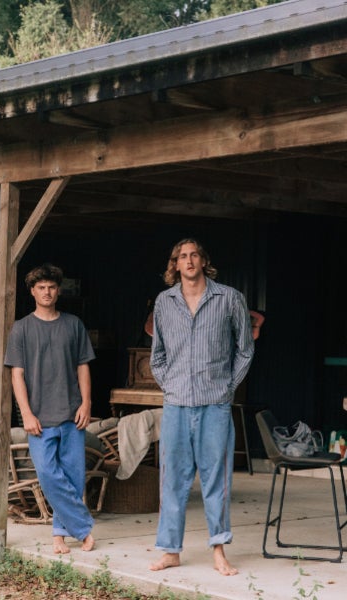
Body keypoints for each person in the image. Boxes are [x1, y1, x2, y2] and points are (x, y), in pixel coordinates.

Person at [148, 238, 254, 576]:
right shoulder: (164, 302)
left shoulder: (229, 298)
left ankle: (219, 551)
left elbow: (245, 349)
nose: (189, 260)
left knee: (216, 480)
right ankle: (170, 551)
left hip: (215, 404)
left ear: (204, 261)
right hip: (177, 404)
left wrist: (227, 388)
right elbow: (157, 355)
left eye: (194, 255)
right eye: (183, 256)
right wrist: (169, 385)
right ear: (175, 264)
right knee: (172, 480)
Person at [4, 263, 96, 554]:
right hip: (39, 418)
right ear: (32, 291)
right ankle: (83, 528)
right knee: (47, 473)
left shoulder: (73, 324)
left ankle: (59, 535)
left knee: (73, 477)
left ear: (58, 291)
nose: (47, 292)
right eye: (41, 287)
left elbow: (83, 366)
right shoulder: (21, 328)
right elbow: (16, 375)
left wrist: (86, 402)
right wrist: (26, 413)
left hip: (72, 413)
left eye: (52, 287)